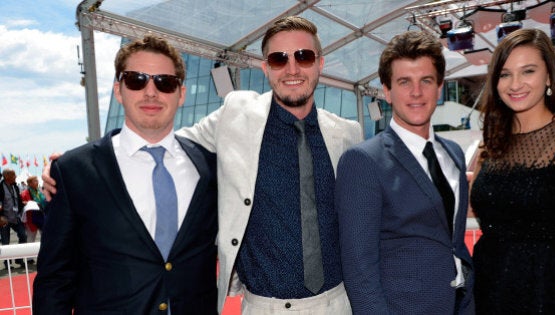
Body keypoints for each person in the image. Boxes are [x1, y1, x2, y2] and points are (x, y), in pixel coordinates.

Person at [44, 16, 362, 314]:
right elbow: (166, 139)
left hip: (337, 302)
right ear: (266, 68)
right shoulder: (236, 113)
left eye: (303, 56)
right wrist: (79, 165)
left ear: (320, 63)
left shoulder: (348, 133)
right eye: (279, 59)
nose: (292, 68)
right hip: (263, 306)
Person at [33, 35, 219, 314]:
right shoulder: (74, 171)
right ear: (119, 90)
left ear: (181, 94)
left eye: (164, 82)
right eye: (136, 80)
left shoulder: (210, 166)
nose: (151, 92)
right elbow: (54, 280)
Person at [335, 31, 474, 314]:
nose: (416, 92)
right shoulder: (363, 161)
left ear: (439, 88)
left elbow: (453, 240)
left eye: (426, 80)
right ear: (387, 91)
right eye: (404, 82)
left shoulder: (454, 154)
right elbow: (359, 271)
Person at [470, 28, 555, 314]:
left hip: (551, 295)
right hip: (490, 292)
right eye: (505, 74)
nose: (515, 83)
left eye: (528, 71)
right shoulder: (489, 145)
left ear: (548, 76)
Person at [0, 168, 27, 269]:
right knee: (5, 242)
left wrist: (23, 204)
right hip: (4, 219)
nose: (15, 177)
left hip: (16, 217)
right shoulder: (0, 187)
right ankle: (8, 263)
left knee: (23, 236)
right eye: (13, 175)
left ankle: (19, 259)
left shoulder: (15, 186)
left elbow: (18, 200)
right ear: (7, 176)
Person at [20, 176, 46, 245]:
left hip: (41, 217)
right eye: (35, 181)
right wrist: (25, 203)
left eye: (37, 180)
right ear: (30, 183)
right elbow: (21, 204)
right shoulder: (24, 193)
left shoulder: (39, 191)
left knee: (45, 237)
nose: (37, 182)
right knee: (31, 240)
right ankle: (29, 255)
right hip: (31, 219)